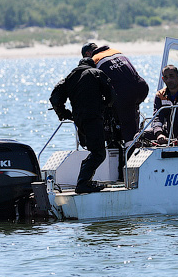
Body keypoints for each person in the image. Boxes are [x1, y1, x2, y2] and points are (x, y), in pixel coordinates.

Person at [50, 56, 116, 193]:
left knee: (94, 150)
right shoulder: (95, 73)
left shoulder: (70, 77)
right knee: (99, 153)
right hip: (93, 117)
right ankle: (83, 183)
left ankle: (85, 179)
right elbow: (111, 94)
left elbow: (55, 98)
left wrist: (65, 114)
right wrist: (104, 106)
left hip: (79, 120)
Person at [81, 42, 149, 144]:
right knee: (132, 113)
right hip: (142, 87)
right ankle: (138, 137)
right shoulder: (115, 51)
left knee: (127, 124)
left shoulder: (93, 60)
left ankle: (130, 152)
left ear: (87, 54)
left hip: (125, 93)